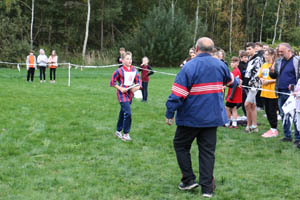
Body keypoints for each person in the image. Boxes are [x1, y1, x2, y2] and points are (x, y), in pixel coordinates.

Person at [165, 37, 239, 198]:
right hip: (212, 118)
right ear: (212, 51)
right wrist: (238, 81)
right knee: (207, 152)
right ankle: (207, 188)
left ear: (196, 49)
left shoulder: (188, 67)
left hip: (190, 118)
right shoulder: (221, 65)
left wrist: (170, 112)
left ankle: (189, 180)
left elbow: (178, 94)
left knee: (180, 145)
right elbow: (231, 82)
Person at [269, 43, 300, 144]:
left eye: (282, 51)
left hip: (292, 93)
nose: (280, 53)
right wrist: (271, 72)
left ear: (289, 50)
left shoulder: (297, 61)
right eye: (279, 51)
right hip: (280, 90)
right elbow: (275, 76)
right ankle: (287, 135)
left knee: (295, 115)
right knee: (283, 113)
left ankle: (298, 137)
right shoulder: (279, 61)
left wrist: (296, 88)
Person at [110, 51, 141, 141]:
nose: (129, 60)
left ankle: (118, 131)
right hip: (121, 94)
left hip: (130, 95)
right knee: (128, 113)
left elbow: (138, 82)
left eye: (130, 59)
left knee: (123, 112)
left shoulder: (134, 70)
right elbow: (112, 82)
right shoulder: (119, 71)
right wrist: (120, 88)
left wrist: (136, 88)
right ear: (122, 60)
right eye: (127, 59)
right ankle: (126, 134)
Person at [244, 42, 264, 133]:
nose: (247, 51)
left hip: (254, 85)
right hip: (247, 85)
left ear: (254, 49)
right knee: (252, 106)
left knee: (247, 104)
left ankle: (250, 125)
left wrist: (250, 82)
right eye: (247, 49)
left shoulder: (258, 58)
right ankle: (252, 126)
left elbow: (258, 73)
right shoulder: (249, 58)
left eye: (249, 49)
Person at [258, 48, 278, 138]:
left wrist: (269, 82)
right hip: (264, 91)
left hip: (272, 92)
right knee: (267, 111)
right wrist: (262, 80)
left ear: (272, 55)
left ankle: (274, 129)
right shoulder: (264, 65)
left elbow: (278, 78)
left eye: (267, 54)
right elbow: (260, 75)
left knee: (272, 111)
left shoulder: (276, 65)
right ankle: (271, 128)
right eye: (265, 54)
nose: (265, 56)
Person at [225, 57, 242, 128]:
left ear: (237, 63)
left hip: (234, 93)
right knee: (234, 108)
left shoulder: (236, 71)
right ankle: (234, 124)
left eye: (233, 62)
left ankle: (228, 122)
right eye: (231, 62)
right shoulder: (235, 71)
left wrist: (231, 95)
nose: (232, 64)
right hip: (234, 93)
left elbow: (235, 84)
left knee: (227, 108)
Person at [238, 50, 249, 117]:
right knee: (243, 101)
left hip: (247, 85)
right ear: (241, 58)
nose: (246, 59)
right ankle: (246, 115)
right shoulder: (240, 65)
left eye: (247, 57)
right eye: (244, 57)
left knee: (244, 100)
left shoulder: (248, 64)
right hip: (241, 85)